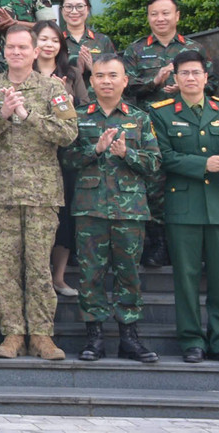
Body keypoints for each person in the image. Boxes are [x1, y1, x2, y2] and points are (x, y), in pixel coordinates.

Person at [0, 25, 79, 361]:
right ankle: (12, 334)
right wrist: (3, 116)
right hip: (1, 192)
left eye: (23, 47)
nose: (16, 52)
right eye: (11, 47)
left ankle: (41, 335)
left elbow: (68, 133)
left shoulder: (53, 88)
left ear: (36, 52)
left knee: (38, 267)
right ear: (3, 50)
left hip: (41, 193)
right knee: (5, 268)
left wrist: (28, 115)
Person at [149, 50, 219, 365]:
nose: (191, 78)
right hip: (184, 206)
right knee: (186, 278)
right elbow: (163, 156)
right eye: (185, 73)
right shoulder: (161, 112)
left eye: (196, 72)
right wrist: (202, 164)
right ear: (175, 78)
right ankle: (192, 340)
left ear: (206, 77)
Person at [62, 53, 162, 364]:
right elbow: (66, 160)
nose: (106, 81)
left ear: (125, 81)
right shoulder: (79, 116)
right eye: (100, 76)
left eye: (113, 75)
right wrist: (96, 149)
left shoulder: (140, 118)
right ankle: (94, 337)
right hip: (90, 210)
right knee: (90, 274)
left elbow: (155, 162)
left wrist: (126, 153)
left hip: (129, 210)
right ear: (91, 81)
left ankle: (129, 337)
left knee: (128, 274)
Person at [122, 0, 212, 268]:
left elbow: (213, 84)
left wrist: (184, 87)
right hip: (151, 128)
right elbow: (126, 87)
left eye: (165, 13)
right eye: (154, 14)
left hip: (189, 126)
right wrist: (155, 81)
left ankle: (194, 247)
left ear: (177, 16)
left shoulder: (193, 48)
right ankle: (159, 244)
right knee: (155, 185)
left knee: (189, 181)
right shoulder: (136, 50)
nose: (159, 18)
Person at [34, 19, 84, 299]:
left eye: (54, 40)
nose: (48, 45)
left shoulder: (71, 74)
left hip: (64, 154)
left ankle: (59, 277)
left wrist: (65, 100)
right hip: (31, 153)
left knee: (62, 218)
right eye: (43, 39)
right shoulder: (24, 72)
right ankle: (38, 276)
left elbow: (85, 109)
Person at [57, 0, 114, 91]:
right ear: (61, 10)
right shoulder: (56, 40)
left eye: (80, 6)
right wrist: (75, 71)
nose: (74, 11)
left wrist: (93, 68)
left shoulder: (102, 40)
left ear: (88, 9)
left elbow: (114, 73)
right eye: (68, 7)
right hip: (66, 96)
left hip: (98, 97)